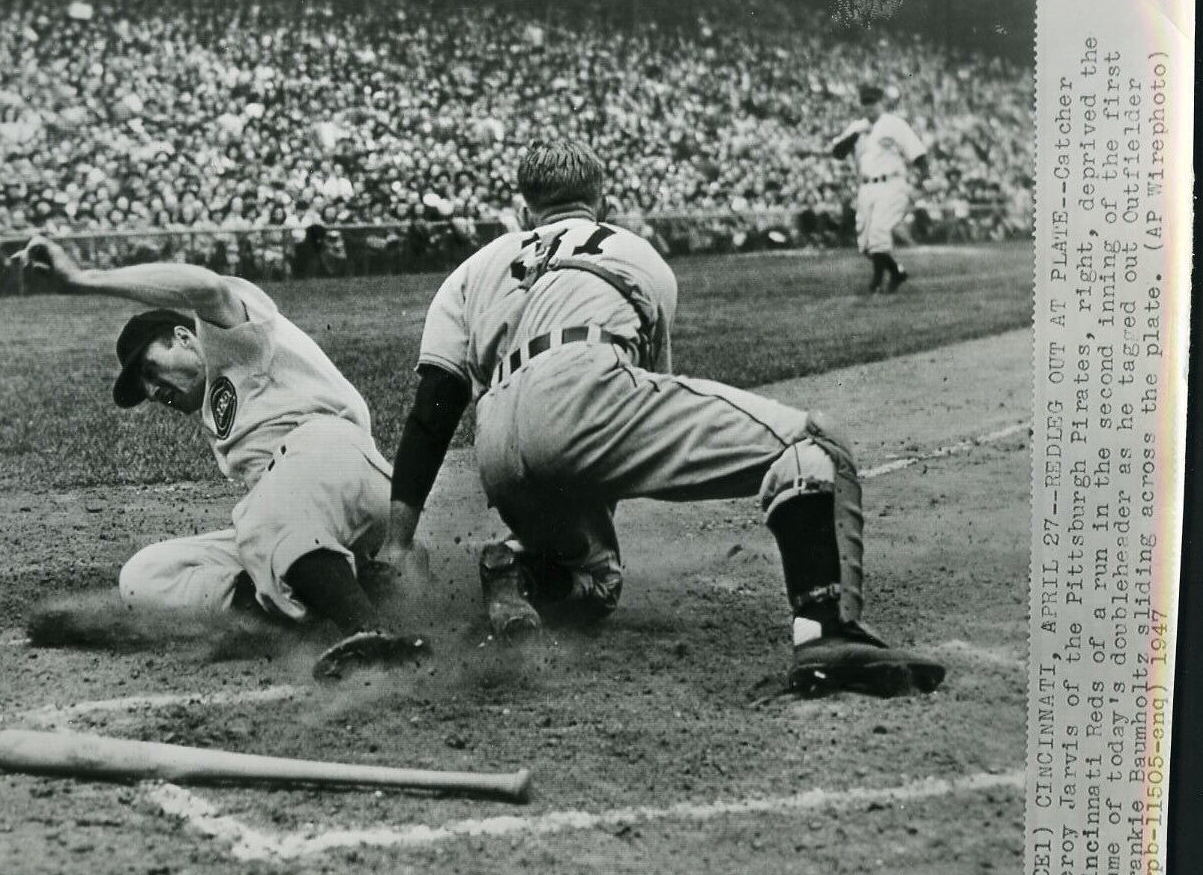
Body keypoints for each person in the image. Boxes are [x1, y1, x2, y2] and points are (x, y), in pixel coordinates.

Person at [371, 138, 945, 697]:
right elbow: (637, 398)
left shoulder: (474, 268)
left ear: (524, 211)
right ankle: (827, 632)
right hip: (583, 388)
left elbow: (433, 408)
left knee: (597, 584)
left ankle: (516, 564)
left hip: (495, 436)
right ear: (603, 204)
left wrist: (398, 543)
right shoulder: (633, 249)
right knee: (814, 443)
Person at [11, 234, 428, 681]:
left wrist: (84, 279)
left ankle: (372, 635)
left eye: (150, 370)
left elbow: (205, 288)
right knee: (147, 575)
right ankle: (324, 606)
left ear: (184, 336)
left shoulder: (235, 342)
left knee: (261, 512)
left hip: (339, 467)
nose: (153, 391)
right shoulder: (214, 411)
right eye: (143, 388)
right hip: (305, 519)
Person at [831, 85, 929, 294]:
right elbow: (837, 152)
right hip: (866, 187)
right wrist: (854, 136)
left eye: (873, 103)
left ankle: (876, 282)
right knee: (865, 244)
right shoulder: (857, 127)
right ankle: (896, 272)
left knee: (878, 234)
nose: (869, 108)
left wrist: (925, 179)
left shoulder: (894, 124)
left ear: (881, 102)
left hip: (891, 185)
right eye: (865, 104)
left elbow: (918, 153)